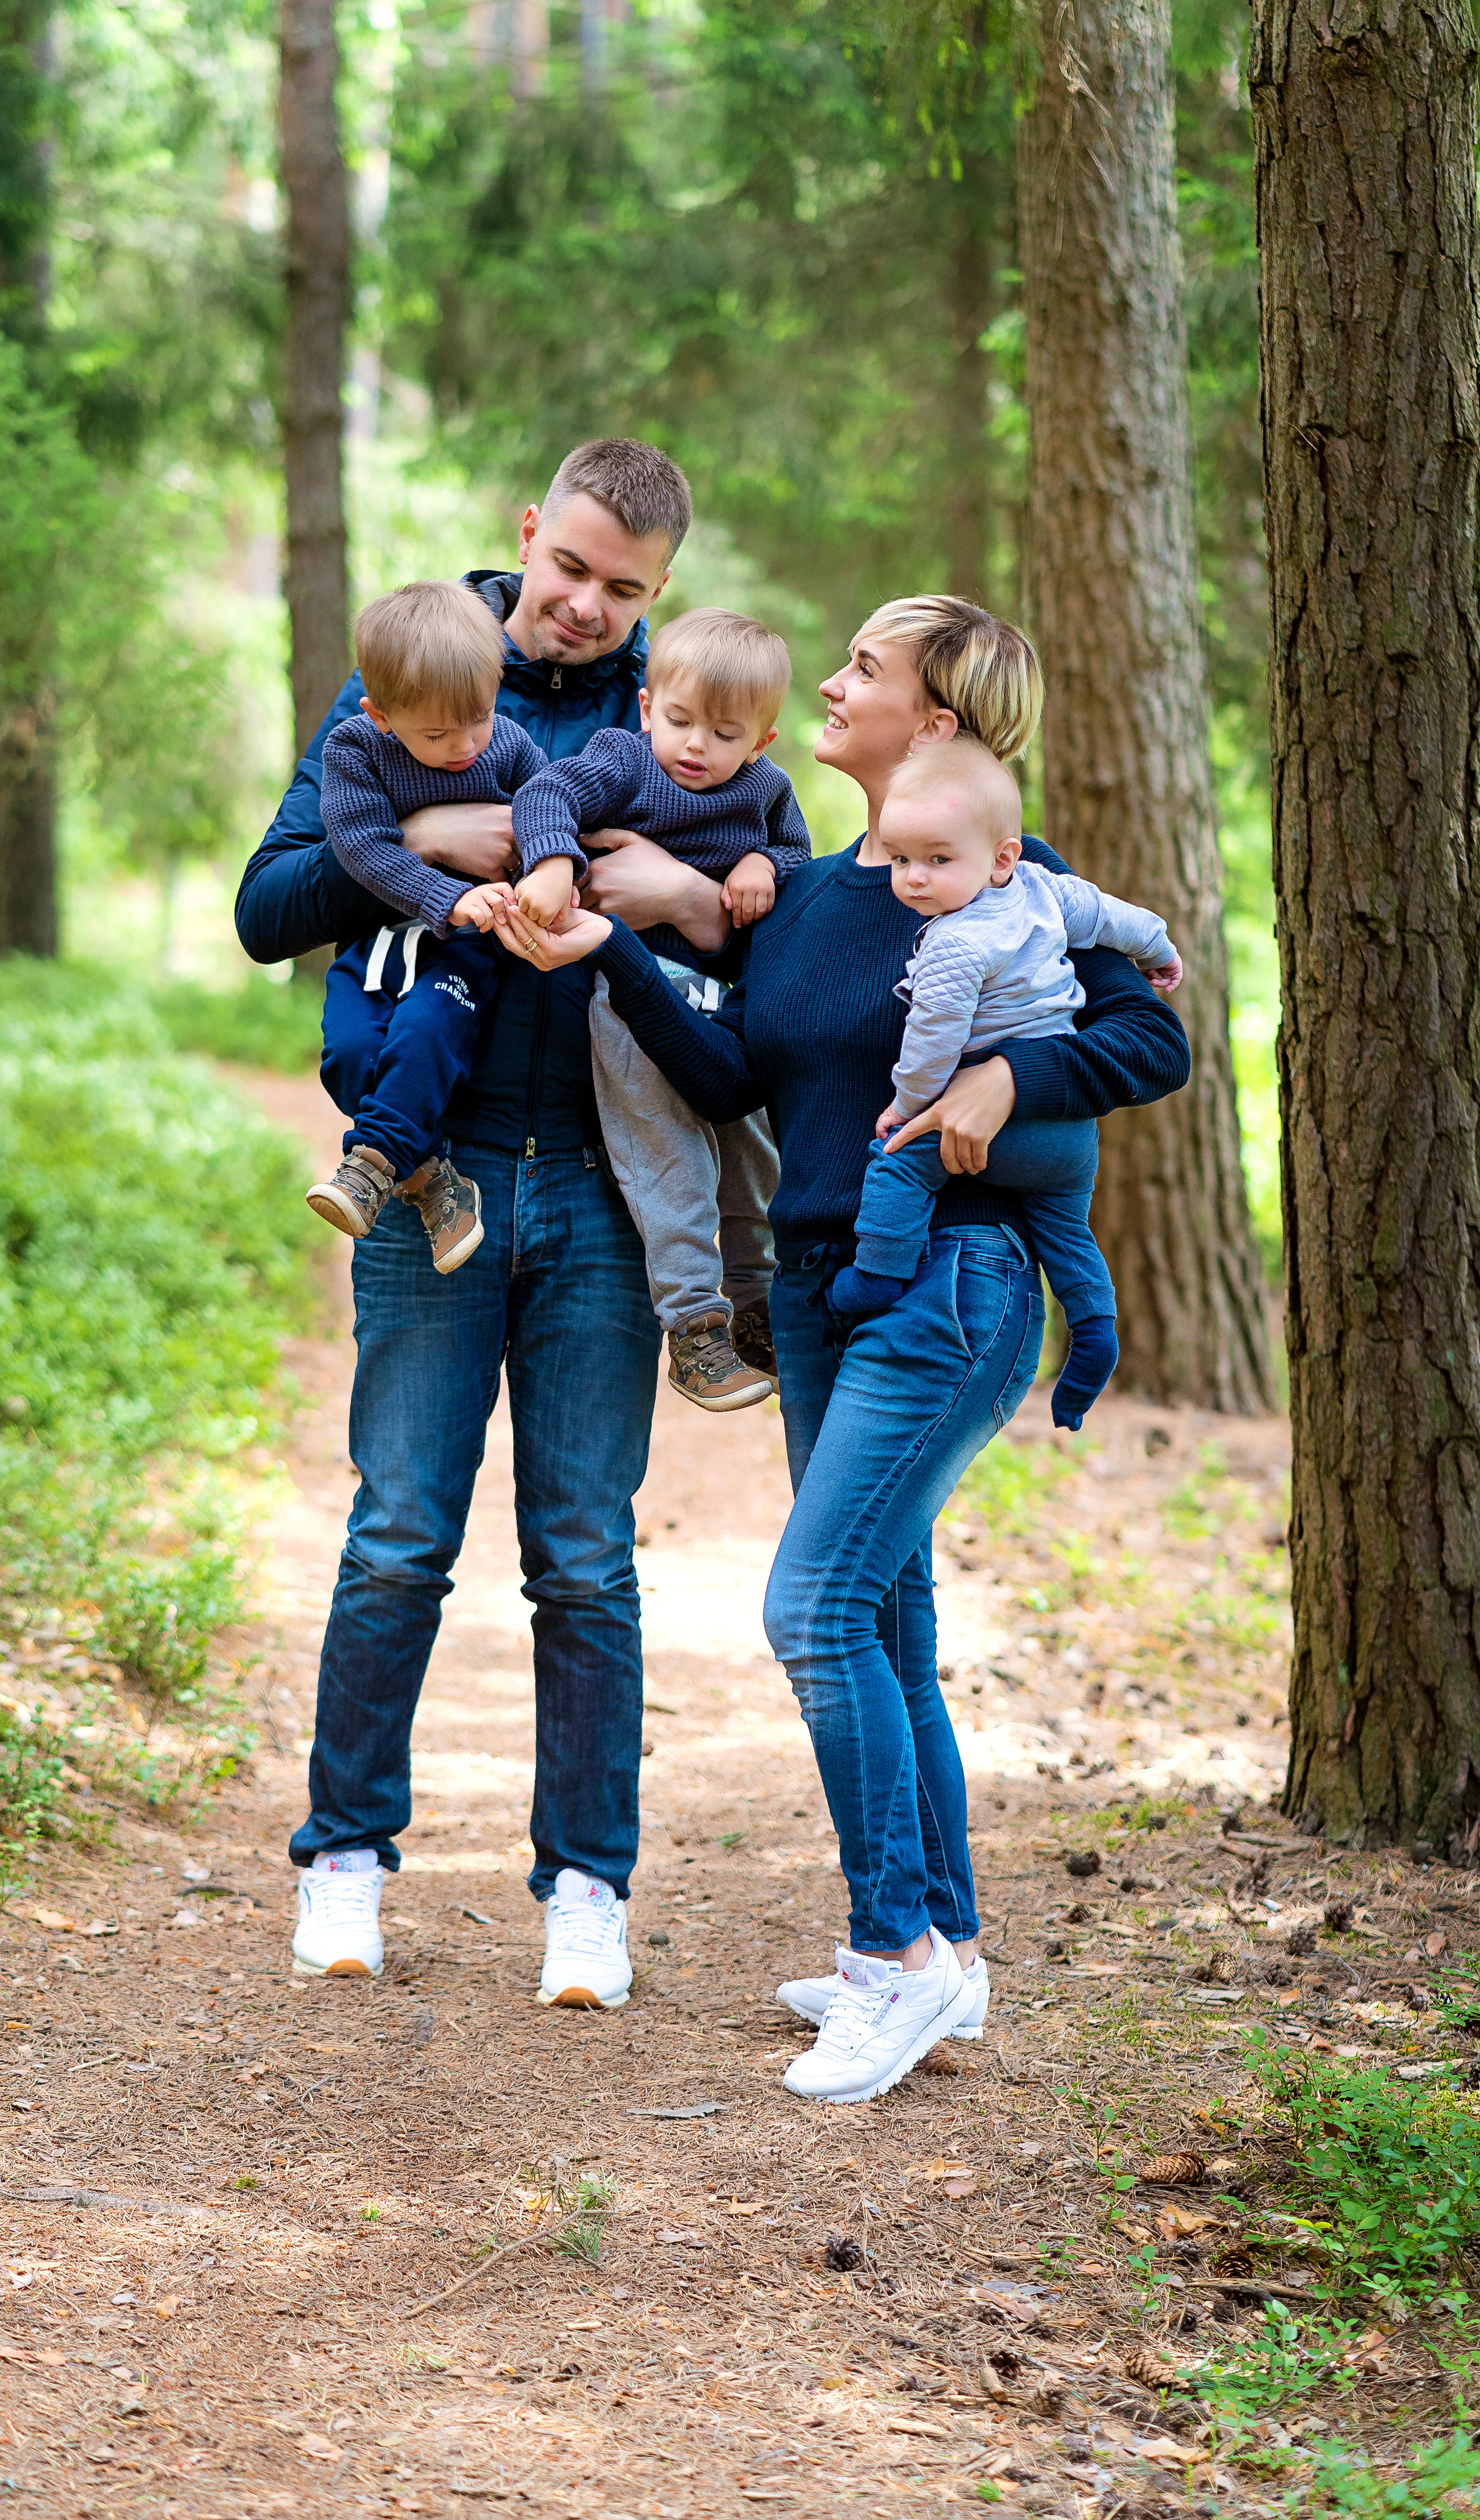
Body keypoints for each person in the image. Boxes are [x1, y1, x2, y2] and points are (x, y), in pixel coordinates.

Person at [487, 593, 1190, 2103]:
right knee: (880, 1625)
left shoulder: (1001, 871)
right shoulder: (809, 892)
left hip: (946, 1275)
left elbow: (1152, 1038)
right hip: (816, 1286)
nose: (827, 679)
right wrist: (608, 952)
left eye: (862, 666)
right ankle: (944, 1946)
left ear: (932, 720)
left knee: (808, 1608)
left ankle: (896, 1962)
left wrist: (1009, 1073)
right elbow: (740, 1069)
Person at [236, 438, 763, 2005]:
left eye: (626, 589)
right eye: (572, 567)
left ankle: (587, 1888)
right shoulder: (417, 671)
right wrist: (430, 855)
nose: (590, 606)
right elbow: (269, 907)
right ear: (527, 532)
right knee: (398, 1530)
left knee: (585, 1556)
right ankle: (343, 1858)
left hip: (613, 1190)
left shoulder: (687, 727)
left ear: (658, 595)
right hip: (426, 1175)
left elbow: (797, 883)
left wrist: (672, 883)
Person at [828, 740, 1183, 1434]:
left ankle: (875, 1276)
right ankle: (1093, 1329)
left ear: (1000, 857)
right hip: (1067, 1130)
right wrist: (1160, 951)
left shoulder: (955, 944)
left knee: (898, 1166)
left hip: (996, 1126)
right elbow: (1116, 918)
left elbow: (932, 1041)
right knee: (1067, 1235)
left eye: (936, 860)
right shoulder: (1047, 891)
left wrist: (906, 1106)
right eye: (901, 860)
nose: (914, 880)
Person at [513, 607, 812, 1408]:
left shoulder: (768, 792)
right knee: (667, 1155)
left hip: (727, 1008)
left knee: (754, 1153)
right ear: (646, 708)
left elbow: (796, 863)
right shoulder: (622, 760)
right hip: (633, 1003)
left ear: (761, 742)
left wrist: (761, 861)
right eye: (677, 720)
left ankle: (757, 1307)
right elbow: (548, 794)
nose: (694, 746)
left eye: (723, 733)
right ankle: (693, 1328)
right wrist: (551, 864)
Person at [303, 579, 548, 1270]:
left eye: (478, 717)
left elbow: (546, 814)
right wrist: (445, 896)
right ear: (382, 715)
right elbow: (362, 848)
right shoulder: (354, 750)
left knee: (422, 1034)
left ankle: (371, 1165)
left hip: (466, 952)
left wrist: (544, 870)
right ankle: (433, 1179)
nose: (466, 744)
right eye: (437, 733)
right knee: (349, 1053)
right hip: (383, 938)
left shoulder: (510, 746)